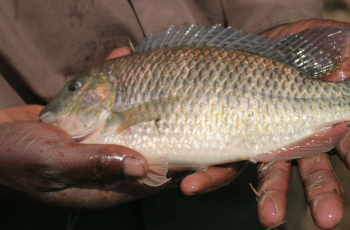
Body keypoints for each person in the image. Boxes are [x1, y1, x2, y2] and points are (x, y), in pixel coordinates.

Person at [0, 0, 347, 229]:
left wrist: (281, 16)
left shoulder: (118, 106)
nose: (58, 104)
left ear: (99, 93)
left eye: (74, 89)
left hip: (231, 210)